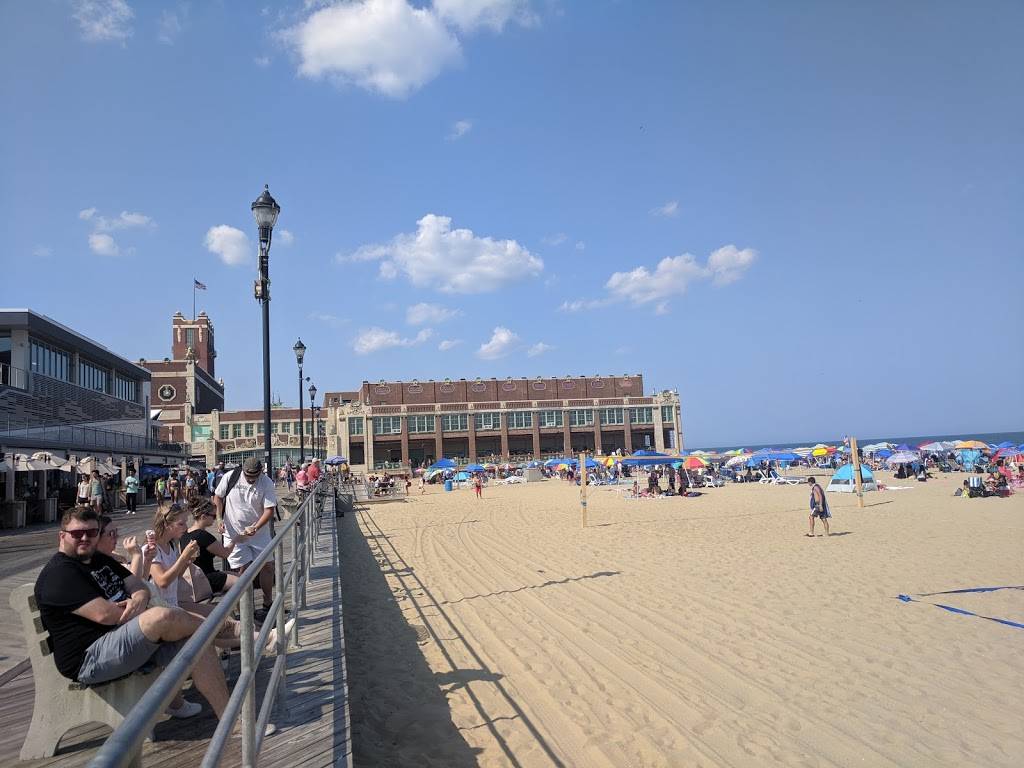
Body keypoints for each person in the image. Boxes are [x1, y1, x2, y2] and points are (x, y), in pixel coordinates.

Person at [34, 506, 229, 719]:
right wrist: (137, 602)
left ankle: (233, 720)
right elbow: (106, 615)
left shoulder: (99, 560)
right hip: (90, 658)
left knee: (196, 640)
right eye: (77, 533)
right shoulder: (60, 574)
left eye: (91, 533)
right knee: (161, 616)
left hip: (123, 637)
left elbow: (139, 586)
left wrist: (136, 598)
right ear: (62, 536)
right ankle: (225, 628)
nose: (85, 538)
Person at [213, 457, 278, 621]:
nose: (250, 480)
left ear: (260, 473)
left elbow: (269, 510)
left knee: (268, 566)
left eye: (253, 477)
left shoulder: (266, 482)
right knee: (241, 571)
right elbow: (218, 497)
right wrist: (219, 518)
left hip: (258, 532)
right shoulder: (230, 477)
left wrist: (256, 527)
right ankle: (243, 608)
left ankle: (267, 602)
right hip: (233, 532)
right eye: (248, 476)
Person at [181, 499, 238, 597]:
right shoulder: (203, 536)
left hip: (193, 578)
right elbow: (225, 553)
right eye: (213, 516)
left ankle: (238, 610)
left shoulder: (186, 534)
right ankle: (244, 611)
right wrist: (236, 539)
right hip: (205, 578)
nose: (215, 519)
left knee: (241, 576)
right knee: (242, 582)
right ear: (203, 516)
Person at [96, 514, 154, 579]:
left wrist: (148, 560)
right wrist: (136, 555)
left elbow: (143, 582)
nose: (117, 536)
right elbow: (134, 585)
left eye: (116, 532)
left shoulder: (114, 558)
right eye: (112, 533)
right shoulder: (99, 567)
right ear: (97, 538)